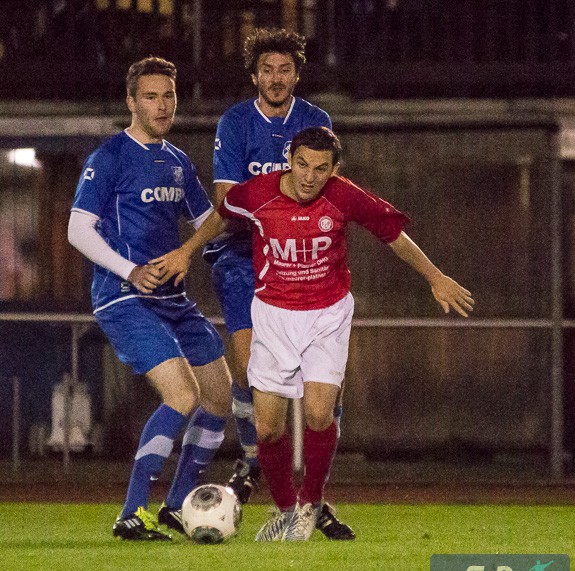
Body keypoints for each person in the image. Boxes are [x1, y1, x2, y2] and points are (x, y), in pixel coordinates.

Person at [151, 126, 475, 541]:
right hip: (273, 315)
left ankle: (309, 504)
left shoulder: (343, 195)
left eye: (320, 168)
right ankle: (286, 510)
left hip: (327, 315)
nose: (309, 176)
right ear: (290, 159)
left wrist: (435, 276)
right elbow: (222, 215)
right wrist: (186, 250)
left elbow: (392, 234)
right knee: (268, 428)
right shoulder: (258, 193)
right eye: (302, 164)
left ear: (333, 169)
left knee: (321, 413)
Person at [68, 57, 232, 541]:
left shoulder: (179, 162)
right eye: (151, 97)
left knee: (219, 398)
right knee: (182, 395)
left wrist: (246, 244)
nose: (162, 106)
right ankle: (131, 512)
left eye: (169, 96)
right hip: (124, 295)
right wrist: (129, 269)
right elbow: (78, 229)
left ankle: (176, 504)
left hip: (173, 298)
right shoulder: (109, 157)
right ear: (131, 102)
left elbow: (208, 225)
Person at [202, 26, 354, 540]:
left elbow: (326, 192)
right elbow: (228, 198)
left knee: (320, 397)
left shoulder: (316, 122)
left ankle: (314, 501)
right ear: (254, 75)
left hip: (304, 261)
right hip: (244, 257)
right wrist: (279, 209)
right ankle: (252, 463)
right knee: (251, 374)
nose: (276, 77)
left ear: (296, 74)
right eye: (267, 69)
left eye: (285, 69)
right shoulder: (235, 121)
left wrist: (294, 218)